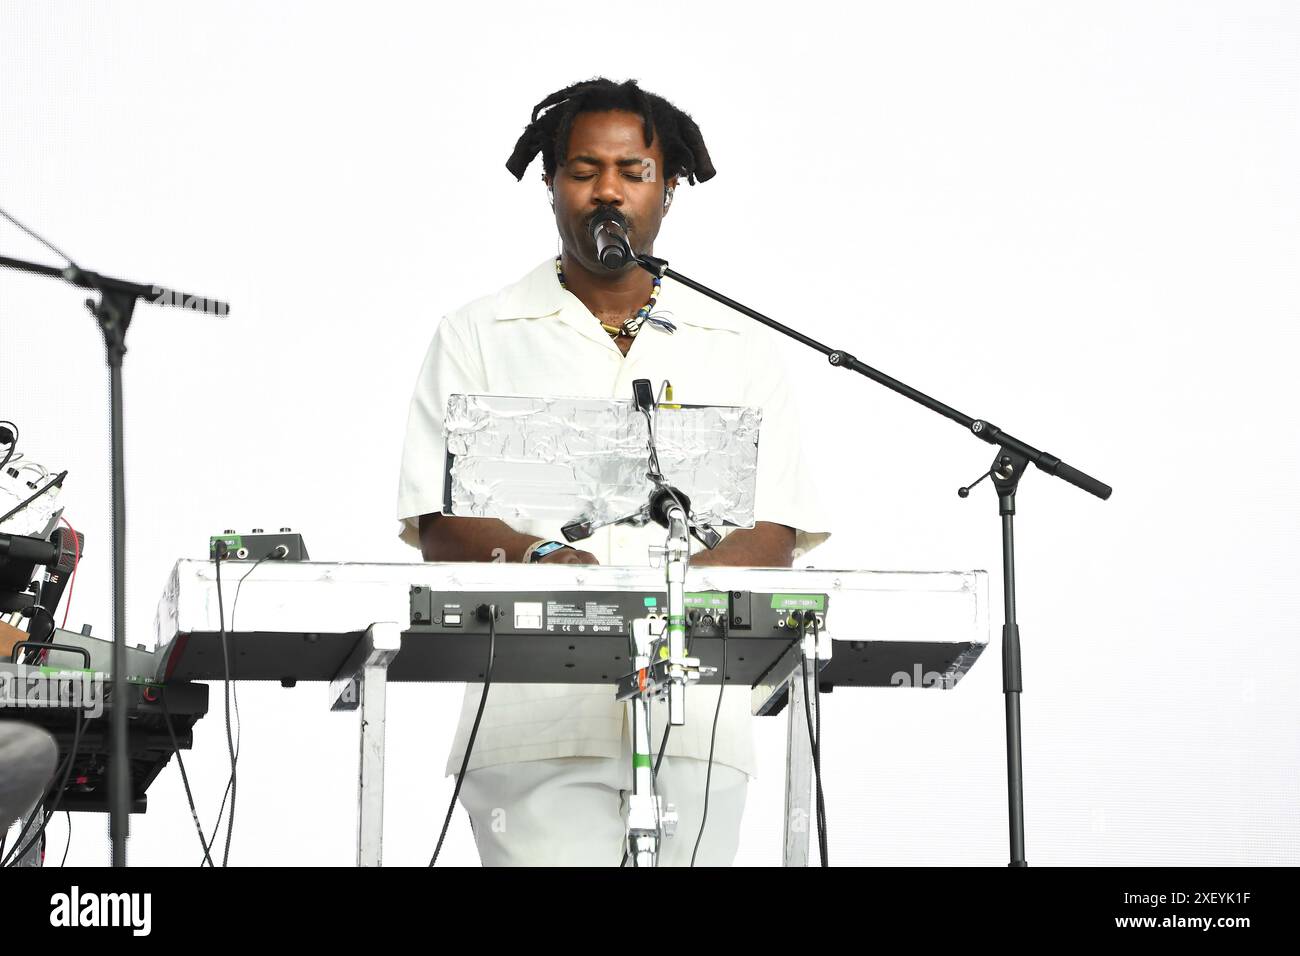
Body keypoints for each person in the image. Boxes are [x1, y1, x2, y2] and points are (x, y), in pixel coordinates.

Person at [397, 77, 828, 865]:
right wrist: (547, 563)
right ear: (550, 184)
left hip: (698, 720)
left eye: (634, 172)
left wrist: (667, 599)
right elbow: (439, 520)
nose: (609, 191)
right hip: (532, 722)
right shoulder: (477, 332)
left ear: (670, 189)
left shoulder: (736, 342)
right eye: (584, 169)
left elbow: (773, 532)